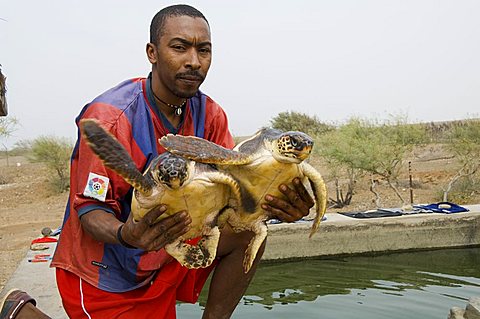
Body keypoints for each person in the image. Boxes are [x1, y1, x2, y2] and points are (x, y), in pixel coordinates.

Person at [0, 4, 314, 319]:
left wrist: (274, 206)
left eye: (203, 50)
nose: (194, 61)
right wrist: (127, 234)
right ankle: (22, 313)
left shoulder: (212, 116)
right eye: (180, 48)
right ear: (152, 52)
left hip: (167, 249)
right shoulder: (110, 118)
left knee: (250, 234)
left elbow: (229, 200)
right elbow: (90, 210)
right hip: (106, 270)